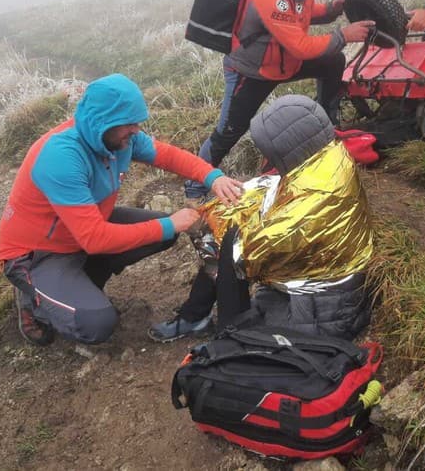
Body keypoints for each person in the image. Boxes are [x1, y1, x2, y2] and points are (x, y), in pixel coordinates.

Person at [0, 73, 244, 347]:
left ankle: (81, 282)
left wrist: (213, 177)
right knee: (95, 324)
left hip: (82, 232)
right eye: (128, 124)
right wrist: (171, 224)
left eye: (136, 123)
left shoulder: (119, 139)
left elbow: (168, 155)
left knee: (161, 232)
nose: (136, 130)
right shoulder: (62, 157)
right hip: (37, 253)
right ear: (102, 122)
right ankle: (34, 300)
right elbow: (95, 238)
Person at [153, 95, 374, 342]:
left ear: (288, 147)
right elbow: (268, 191)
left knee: (229, 249)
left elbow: (247, 257)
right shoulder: (322, 157)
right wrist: (214, 213)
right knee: (221, 226)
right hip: (306, 289)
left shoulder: (314, 201)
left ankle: (228, 337)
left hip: (321, 312)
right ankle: (196, 317)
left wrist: (205, 227)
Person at [184, 0, 375, 200]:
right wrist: (344, 35)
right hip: (251, 73)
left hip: (283, 64)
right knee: (228, 132)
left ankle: (327, 122)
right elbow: (300, 45)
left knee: (333, 62)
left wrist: (332, 8)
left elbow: (303, 14)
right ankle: (195, 186)